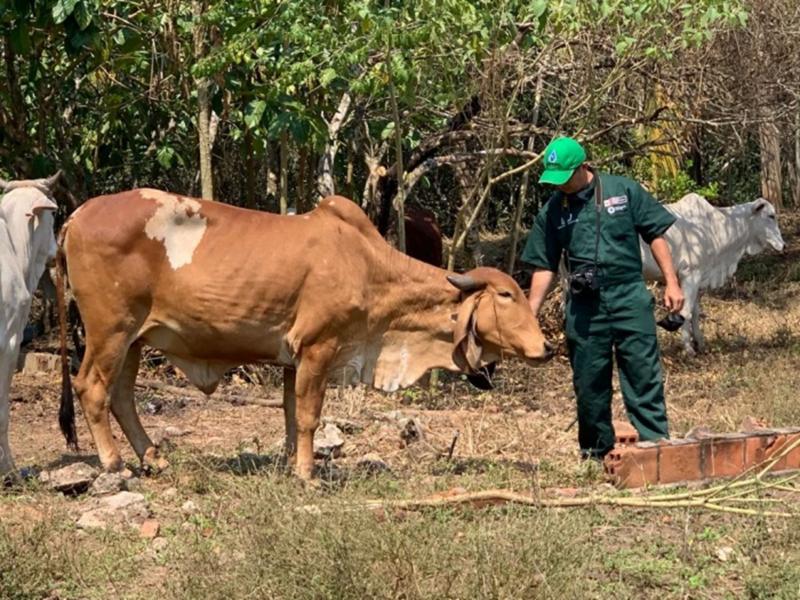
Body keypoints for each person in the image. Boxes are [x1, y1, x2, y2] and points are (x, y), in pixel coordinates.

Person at [522, 137, 685, 460]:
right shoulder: (553, 209)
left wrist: (672, 282)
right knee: (589, 383)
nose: (561, 186)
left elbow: (655, 234)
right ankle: (596, 453)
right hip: (584, 306)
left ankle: (655, 448)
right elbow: (545, 264)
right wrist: (530, 312)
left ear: (583, 166)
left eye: (565, 177)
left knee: (642, 374)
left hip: (628, 295)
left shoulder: (622, 190)